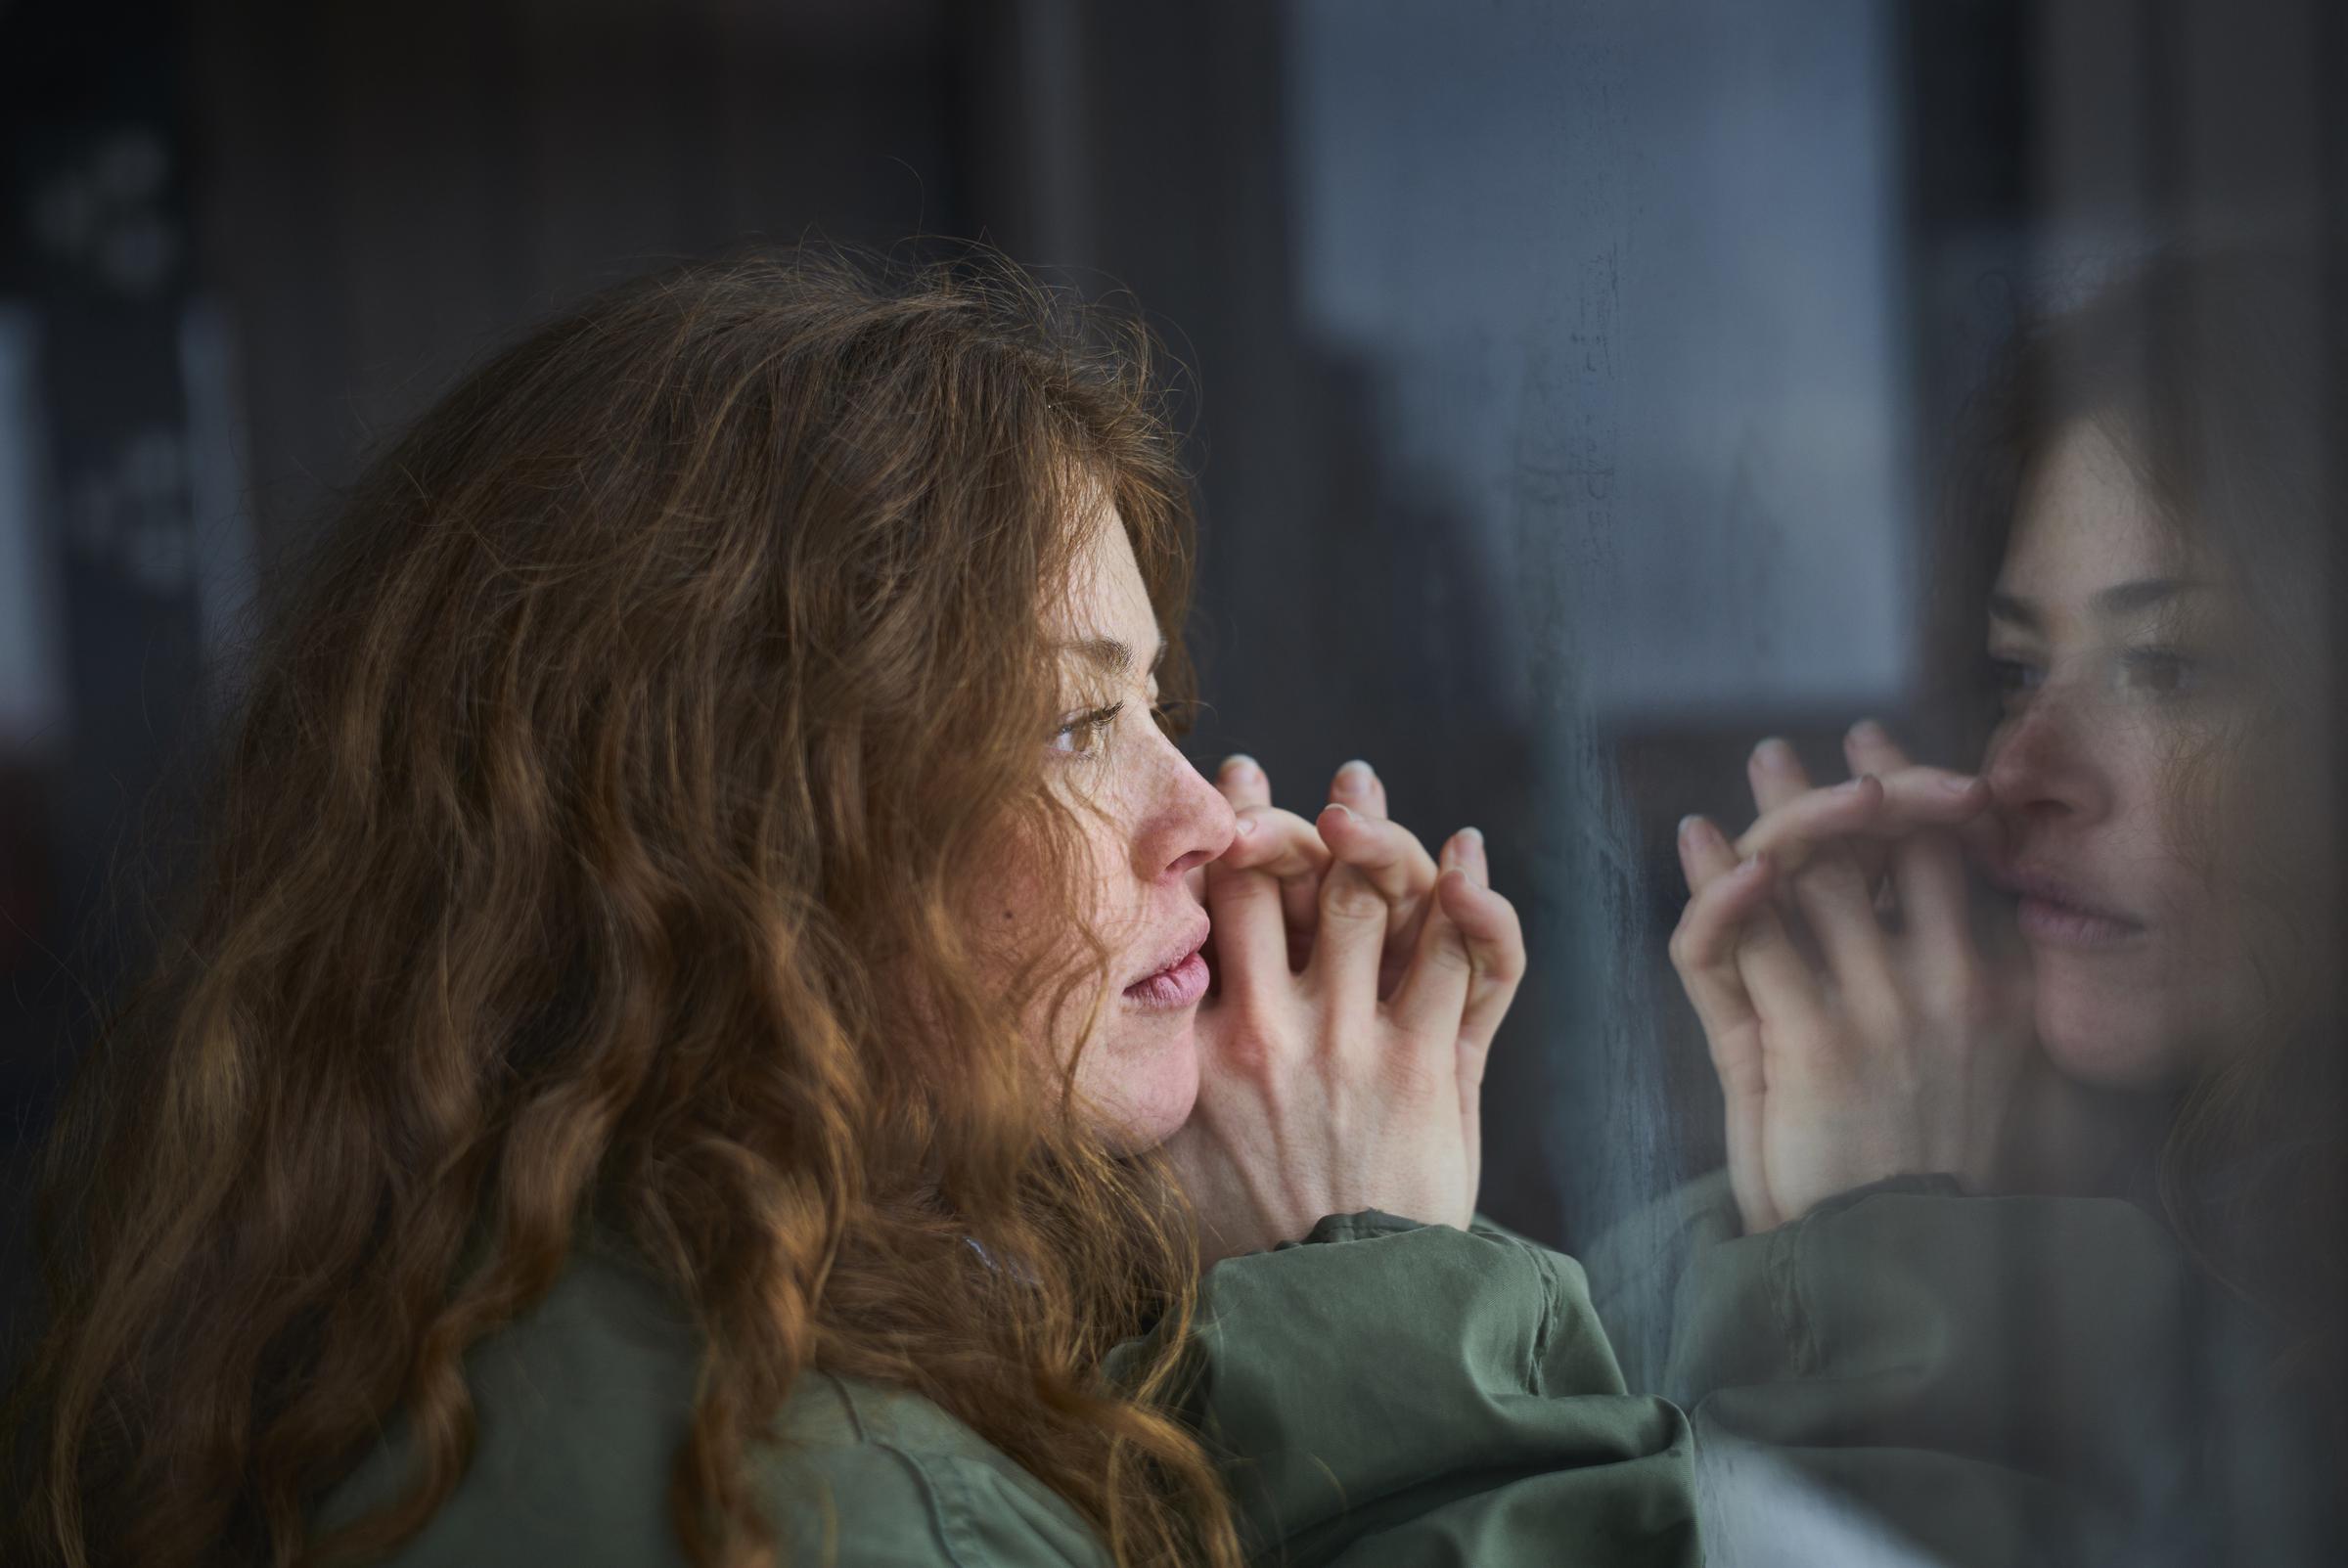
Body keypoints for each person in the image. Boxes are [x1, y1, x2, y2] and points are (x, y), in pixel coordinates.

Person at [0, 248, 1698, 1568]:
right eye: (1074, 721)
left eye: (1156, 710)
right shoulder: (812, 1497)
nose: (1211, 820)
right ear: (737, 829)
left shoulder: (487, 1300)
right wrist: (1385, 1304)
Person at [1602, 240, 2348, 1565]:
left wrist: (1891, 1258)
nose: (2022, 769)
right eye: (2017, 670)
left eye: (2168, 667)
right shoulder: (2070, 1170)